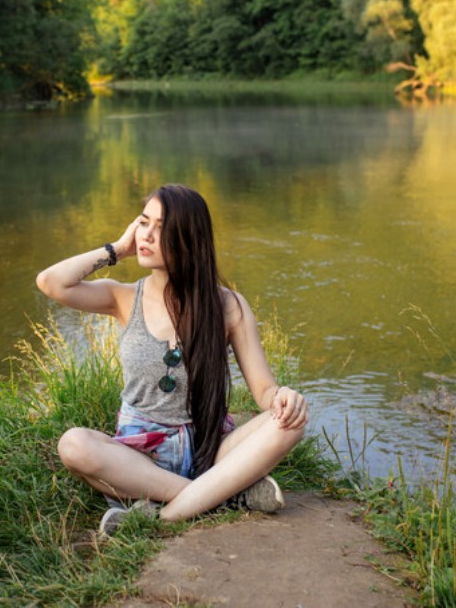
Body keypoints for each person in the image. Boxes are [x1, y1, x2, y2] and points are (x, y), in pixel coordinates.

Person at [35, 184, 308, 536]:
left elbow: (264, 390)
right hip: (139, 458)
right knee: (73, 444)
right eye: (144, 222)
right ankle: (221, 495)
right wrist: (117, 249)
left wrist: (283, 397)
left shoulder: (228, 306)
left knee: (291, 422)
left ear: (189, 237)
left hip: (209, 449)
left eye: (161, 228)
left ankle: (161, 517)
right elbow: (51, 282)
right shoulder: (122, 297)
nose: (147, 235)